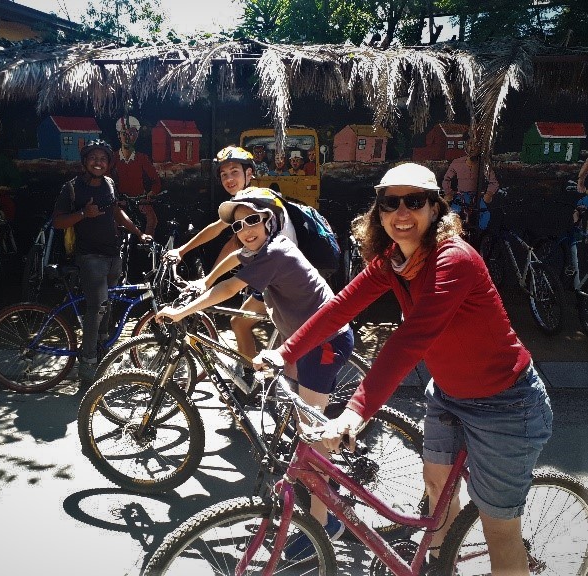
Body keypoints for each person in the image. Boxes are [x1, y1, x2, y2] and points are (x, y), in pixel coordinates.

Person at [256, 162, 553, 574]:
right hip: (450, 392)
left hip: (506, 402)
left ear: (435, 209)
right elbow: (340, 307)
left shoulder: (455, 261)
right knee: (437, 490)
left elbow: (409, 341)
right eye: (389, 202)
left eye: (414, 201)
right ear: (378, 211)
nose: (401, 212)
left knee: (498, 528)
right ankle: (439, 566)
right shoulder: (395, 260)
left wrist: (355, 412)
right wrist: (284, 352)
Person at [157, 190, 354, 557]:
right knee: (304, 427)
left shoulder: (275, 252)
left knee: (309, 439)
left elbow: (232, 286)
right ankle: (329, 490)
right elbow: (234, 257)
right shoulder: (259, 250)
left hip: (322, 343)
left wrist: (183, 313)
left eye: (252, 220)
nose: (245, 229)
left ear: (269, 222)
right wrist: (203, 282)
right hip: (303, 342)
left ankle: (326, 525)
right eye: (238, 224)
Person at [166, 147, 297, 382]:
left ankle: (289, 396)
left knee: (286, 344)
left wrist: (207, 282)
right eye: (224, 174)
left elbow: (233, 247)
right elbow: (223, 234)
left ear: (249, 174)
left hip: (285, 281)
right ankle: (252, 379)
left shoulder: (259, 202)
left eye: (234, 171)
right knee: (240, 322)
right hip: (271, 278)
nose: (228, 178)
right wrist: (190, 260)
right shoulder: (244, 204)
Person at [52, 139, 152, 382]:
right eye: (94, 158)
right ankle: (87, 363)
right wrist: (84, 213)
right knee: (96, 309)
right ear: (85, 162)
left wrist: (139, 232)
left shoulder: (109, 183)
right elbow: (58, 221)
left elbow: (116, 212)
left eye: (103, 159)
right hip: (89, 256)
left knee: (109, 305)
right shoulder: (72, 188)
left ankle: (102, 349)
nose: (99, 162)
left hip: (112, 255)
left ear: (108, 164)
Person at [112, 115, 163, 237]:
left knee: (152, 220)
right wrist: (116, 198)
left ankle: (146, 245)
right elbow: (106, 180)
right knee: (114, 223)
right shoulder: (113, 158)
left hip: (140, 199)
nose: (128, 137)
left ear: (137, 135)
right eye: (124, 133)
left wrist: (150, 194)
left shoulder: (142, 158)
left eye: (132, 133)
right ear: (119, 135)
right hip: (121, 201)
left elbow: (156, 181)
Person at [441, 140, 499, 232]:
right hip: (461, 197)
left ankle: (478, 234)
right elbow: (446, 180)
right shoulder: (457, 163)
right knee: (452, 214)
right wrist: (449, 192)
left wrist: (489, 193)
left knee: (485, 214)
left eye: (475, 145)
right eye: (469, 145)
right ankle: (453, 234)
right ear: (465, 147)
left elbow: (494, 182)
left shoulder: (484, 165)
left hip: (477, 197)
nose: (472, 148)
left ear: (480, 148)